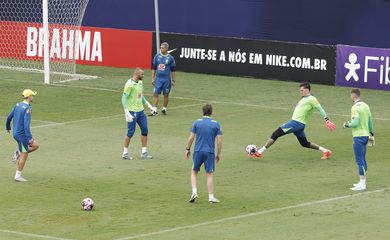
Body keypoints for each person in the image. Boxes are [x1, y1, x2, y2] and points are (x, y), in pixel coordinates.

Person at [249, 82, 336, 159]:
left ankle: (259, 152)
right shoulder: (304, 99)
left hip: (296, 123)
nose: (300, 92)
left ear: (307, 90)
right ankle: (326, 151)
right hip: (299, 125)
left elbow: (320, 109)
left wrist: (327, 120)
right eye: (300, 90)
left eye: (302, 90)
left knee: (276, 134)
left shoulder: (312, 99)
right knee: (304, 143)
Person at [185, 104, 222, 203]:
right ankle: (210, 197)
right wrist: (218, 153)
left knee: (194, 171)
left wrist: (187, 149)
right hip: (209, 152)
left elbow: (191, 137)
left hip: (198, 151)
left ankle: (194, 192)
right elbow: (219, 140)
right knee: (209, 174)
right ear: (211, 112)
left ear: (202, 111)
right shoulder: (216, 124)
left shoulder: (197, 123)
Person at [343, 88, 374, 191]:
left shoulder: (355, 107)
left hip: (358, 136)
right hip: (365, 136)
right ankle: (362, 181)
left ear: (353, 96)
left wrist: (347, 125)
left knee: (359, 160)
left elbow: (355, 123)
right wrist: (371, 133)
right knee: (363, 159)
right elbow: (370, 121)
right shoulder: (366, 106)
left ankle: (362, 183)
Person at [6, 89, 40, 182]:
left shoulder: (18, 105)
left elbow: (9, 117)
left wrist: (8, 127)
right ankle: (17, 176)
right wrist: (29, 138)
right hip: (22, 136)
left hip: (16, 133)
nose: (33, 97)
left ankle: (18, 152)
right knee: (24, 155)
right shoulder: (27, 109)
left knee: (36, 146)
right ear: (29, 97)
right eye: (32, 95)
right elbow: (26, 125)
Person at [122, 68, 155, 160]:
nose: (143, 76)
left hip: (141, 111)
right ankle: (125, 153)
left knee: (145, 130)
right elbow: (124, 98)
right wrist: (126, 111)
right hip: (132, 112)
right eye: (142, 74)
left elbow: (140, 94)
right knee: (130, 132)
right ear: (136, 74)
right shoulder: (129, 84)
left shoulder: (140, 83)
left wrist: (148, 105)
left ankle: (144, 152)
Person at [150, 42, 176, 116]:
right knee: (155, 94)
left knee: (166, 95)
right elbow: (154, 68)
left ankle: (164, 109)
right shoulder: (157, 56)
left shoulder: (170, 58)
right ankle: (154, 109)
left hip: (167, 80)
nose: (161, 49)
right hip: (158, 79)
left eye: (163, 48)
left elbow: (173, 70)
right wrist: (153, 78)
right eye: (160, 47)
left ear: (167, 49)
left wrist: (173, 80)